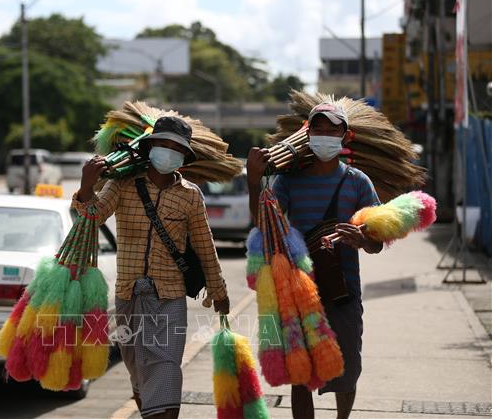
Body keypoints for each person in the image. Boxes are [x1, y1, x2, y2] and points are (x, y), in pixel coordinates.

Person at [73, 116, 230, 419]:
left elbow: (204, 245)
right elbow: (93, 216)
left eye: (176, 147)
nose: (168, 151)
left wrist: (218, 290)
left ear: (184, 157)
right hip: (128, 296)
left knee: (167, 369)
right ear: (150, 146)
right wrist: (86, 185)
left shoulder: (190, 195)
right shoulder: (122, 184)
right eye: (163, 144)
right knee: (140, 376)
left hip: (169, 299)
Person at [247, 102, 383, 419]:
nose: (324, 135)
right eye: (317, 129)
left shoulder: (358, 182)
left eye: (331, 130)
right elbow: (264, 226)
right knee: (301, 374)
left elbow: (377, 242)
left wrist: (362, 239)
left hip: (343, 292)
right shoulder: (288, 181)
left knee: (347, 370)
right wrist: (254, 182)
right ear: (307, 135)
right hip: (299, 293)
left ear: (345, 136)